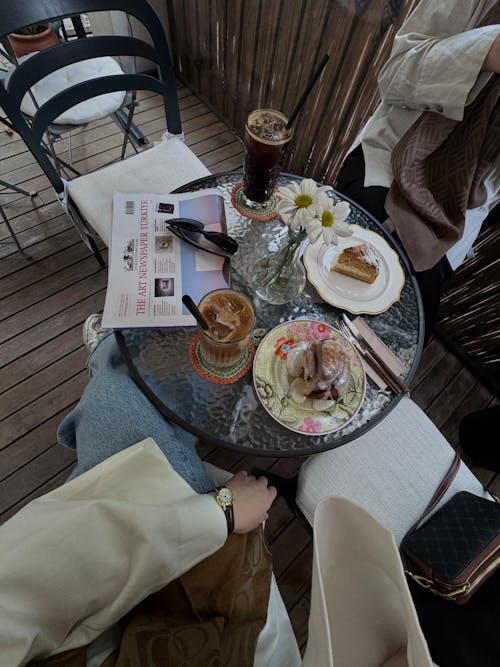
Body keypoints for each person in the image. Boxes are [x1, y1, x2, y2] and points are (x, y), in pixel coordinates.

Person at [0, 318, 436, 667]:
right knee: (122, 397)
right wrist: (221, 511)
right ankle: (112, 354)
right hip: (214, 616)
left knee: (116, 393)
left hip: (110, 609)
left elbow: (27, 581)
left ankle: (109, 352)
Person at [336, 0, 500, 340]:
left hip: (459, 217)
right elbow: (394, 74)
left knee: (409, 336)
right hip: (388, 164)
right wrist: (486, 51)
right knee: (338, 292)